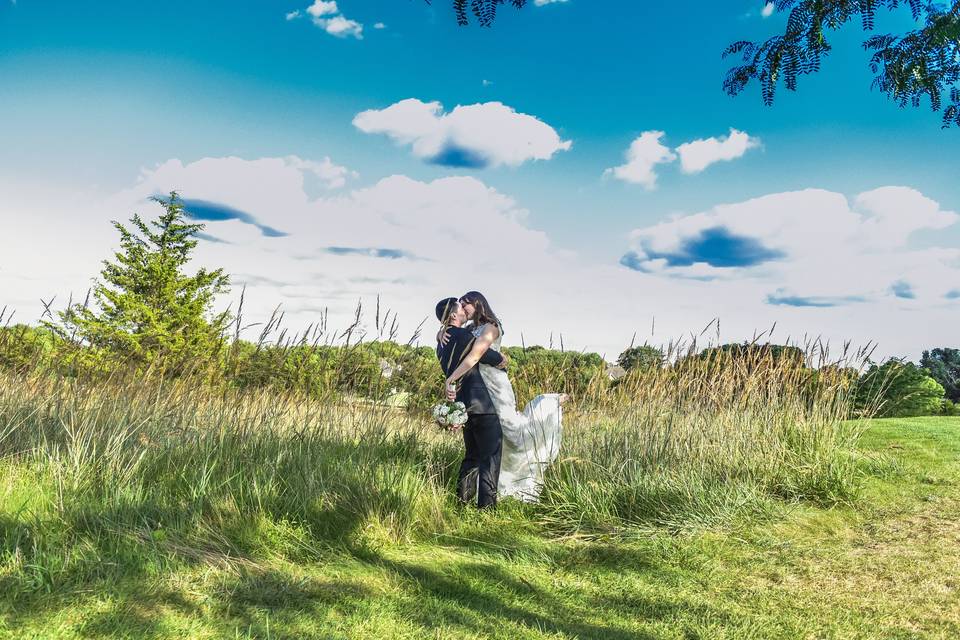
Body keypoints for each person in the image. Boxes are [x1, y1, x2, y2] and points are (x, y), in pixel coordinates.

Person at [443, 291, 566, 502]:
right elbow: (460, 339)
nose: (462, 309)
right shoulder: (470, 329)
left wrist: (451, 378)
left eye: (466, 304)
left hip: (495, 386)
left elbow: (475, 355)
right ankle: (482, 500)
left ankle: (547, 404)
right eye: (460, 306)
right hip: (479, 389)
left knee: (513, 432)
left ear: (478, 304)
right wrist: (441, 331)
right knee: (484, 447)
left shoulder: (492, 327)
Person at [434, 297, 509, 509]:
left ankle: (462, 504)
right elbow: (481, 353)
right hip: (482, 404)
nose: (464, 311)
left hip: (462, 406)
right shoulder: (462, 335)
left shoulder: (440, 343)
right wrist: (500, 360)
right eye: (460, 308)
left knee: (471, 457)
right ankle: (486, 509)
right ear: (453, 315)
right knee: (491, 457)